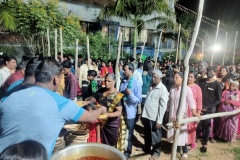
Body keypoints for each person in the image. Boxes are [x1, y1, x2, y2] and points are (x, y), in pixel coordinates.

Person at [0, 59, 106, 158]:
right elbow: (91, 117)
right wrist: (101, 109)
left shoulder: (10, 97)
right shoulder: (59, 102)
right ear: (56, 79)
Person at [167, 72, 200, 159]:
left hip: (182, 116)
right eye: (174, 78)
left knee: (182, 133)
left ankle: (185, 151)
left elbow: (191, 101)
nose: (174, 79)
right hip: (172, 115)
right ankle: (176, 149)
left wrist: (194, 111)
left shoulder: (186, 89)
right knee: (174, 132)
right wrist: (167, 112)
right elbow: (169, 101)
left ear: (182, 78)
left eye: (177, 77)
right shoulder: (172, 89)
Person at [142, 70, 168, 160]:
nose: (153, 79)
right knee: (147, 133)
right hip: (146, 115)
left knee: (156, 136)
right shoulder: (151, 86)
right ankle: (147, 148)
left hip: (154, 117)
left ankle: (156, 153)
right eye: (152, 77)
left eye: (155, 77)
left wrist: (159, 120)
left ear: (160, 78)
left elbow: (163, 106)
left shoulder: (162, 89)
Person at [119, 63, 142, 159]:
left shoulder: (136, 83)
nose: (123, 71)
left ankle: (127, 153)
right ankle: (120, 149)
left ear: (131, 70)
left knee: (129, 134)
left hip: (130, 113)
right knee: (121, 131)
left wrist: (130, 95)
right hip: (121, 111)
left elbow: (139, 100)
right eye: (123, 69)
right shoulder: (123, 81)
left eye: (125, 69)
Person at [198, 66, 222, 152]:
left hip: (209, 109)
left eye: (211, 71)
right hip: (199, 108)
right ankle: (195, 139)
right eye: (208, 71)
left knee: (207, 126)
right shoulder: (202, 82)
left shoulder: (217, 84)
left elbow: (218, 99)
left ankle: (205, 142)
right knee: (198, 124)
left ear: (215, 73)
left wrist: (207, 107)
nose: (209, 73)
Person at [187, 71, 202, 150]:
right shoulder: (184, 86)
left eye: (191, 77)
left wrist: (198, 113)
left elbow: (199, 102)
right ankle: (184, 141)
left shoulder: (197, 88)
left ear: (195, 78)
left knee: (192, 127)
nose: (189, 78)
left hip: (193, 111)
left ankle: (192, 142)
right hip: (184, 110)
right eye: (188, 76)